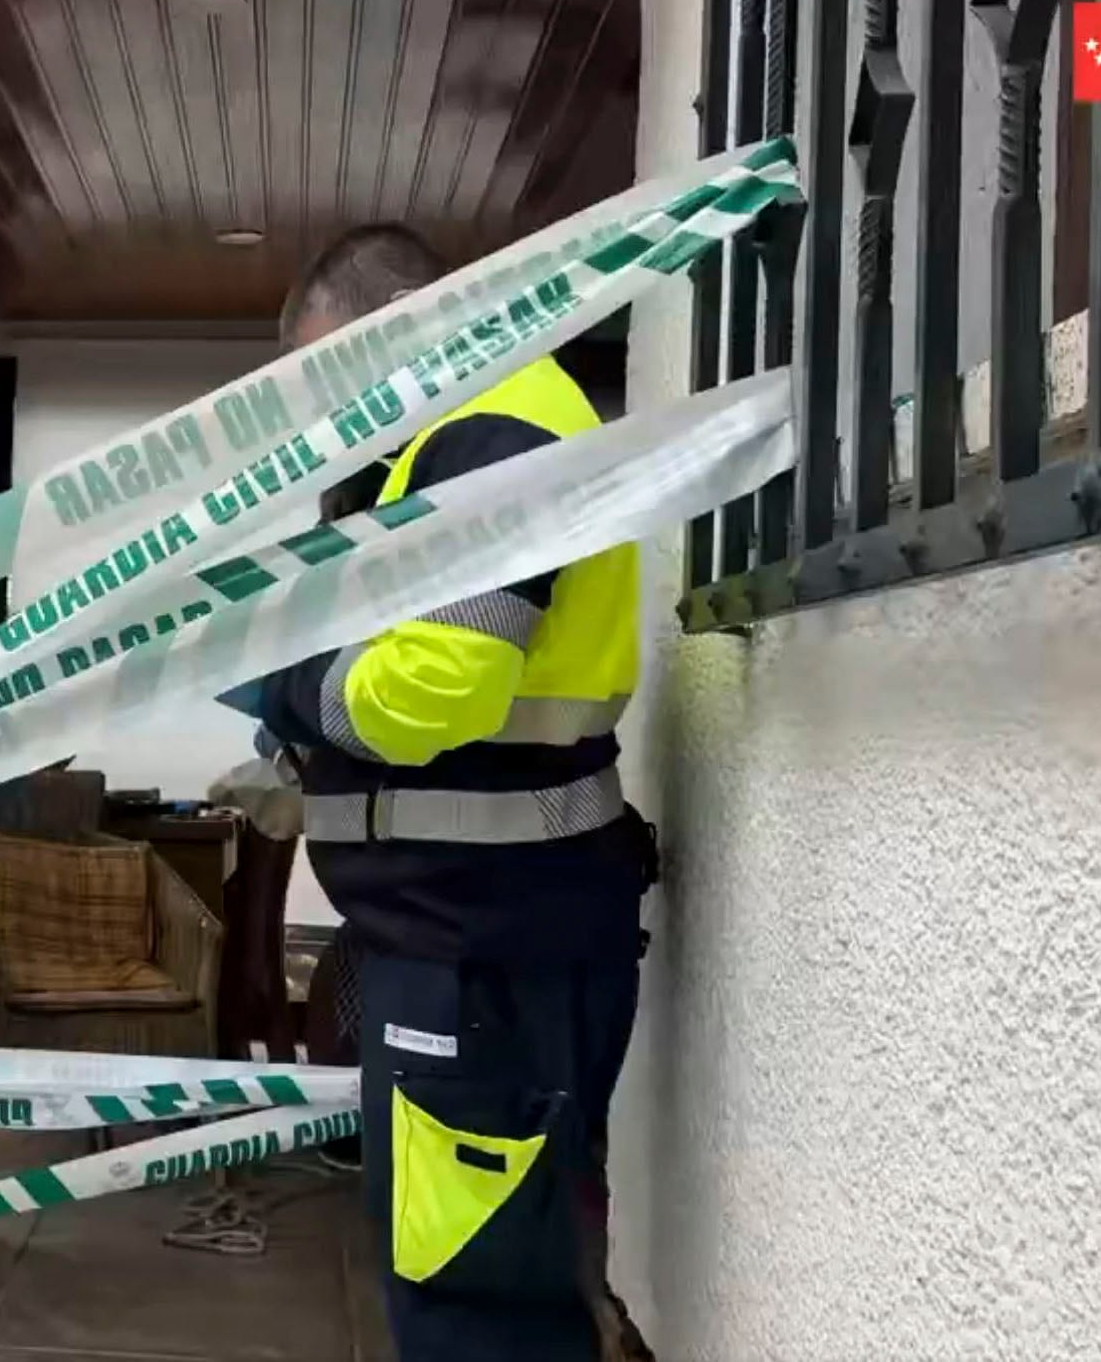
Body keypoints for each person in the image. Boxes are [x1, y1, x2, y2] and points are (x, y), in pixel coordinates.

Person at [241, 226, 658, 1362]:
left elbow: (440, 683)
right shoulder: (451, 441)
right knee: (474, 1277)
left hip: (489, 946)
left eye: (330, 379)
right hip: (479, 936)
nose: (325, 421)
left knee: (473, 1305)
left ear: (398, 325)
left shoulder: (492, 425)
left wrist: (286, 685)